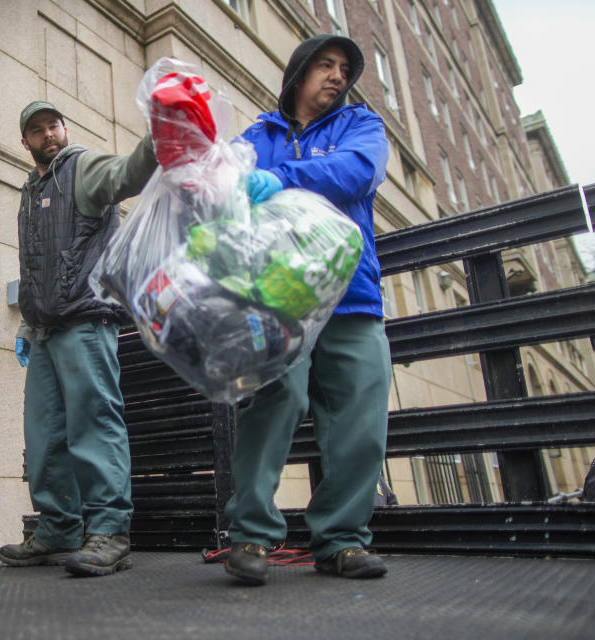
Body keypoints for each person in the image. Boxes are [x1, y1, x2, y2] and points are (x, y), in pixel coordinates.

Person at [222, 34, 391, 585]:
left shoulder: (360, 126)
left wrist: (283, 179)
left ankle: (341, 540)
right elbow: (224, 198)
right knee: (273, 399)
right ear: (298, 73)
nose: (338, 75)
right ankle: (250, 532)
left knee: (359, 420)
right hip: (278, 299)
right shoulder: (257, 137)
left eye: (346, 68)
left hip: (350, 295)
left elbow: (356, 173)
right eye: (326, 64)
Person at [0, 102, 157, 577]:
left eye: (54, 125)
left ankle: (109, 531)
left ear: (64, 129)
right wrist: (27, 326)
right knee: (44, 437)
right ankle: (58, 528)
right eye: (37, 130)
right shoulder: (32, 191)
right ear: (24, 143)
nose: (48, 134)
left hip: (86, 323)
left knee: (94, 424)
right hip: (46, 331)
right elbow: (38, 267)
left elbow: (130, 172)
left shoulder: (81, 167)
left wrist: (159, 135)